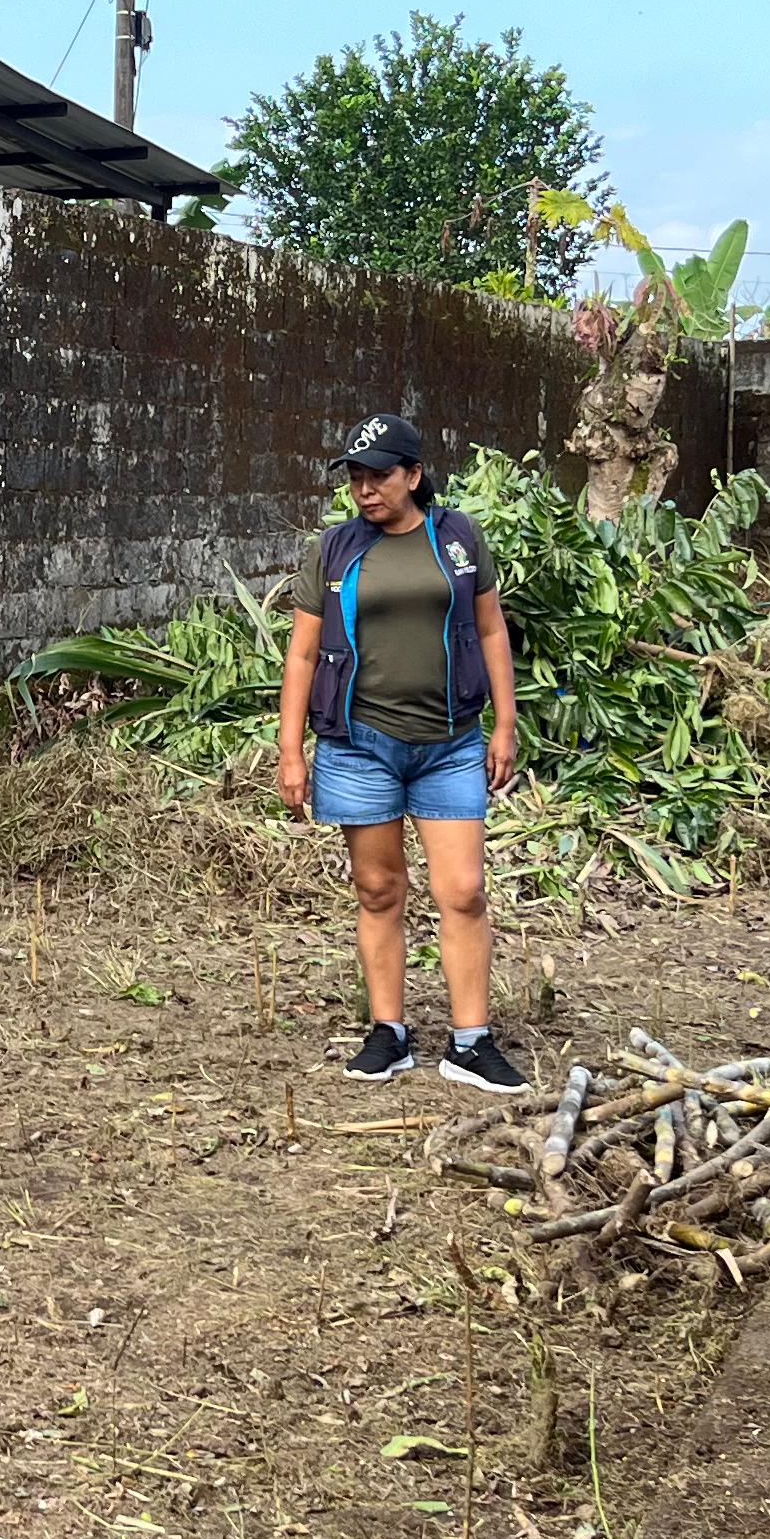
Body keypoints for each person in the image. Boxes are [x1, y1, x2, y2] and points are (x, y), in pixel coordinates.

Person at [270, 414, 533, 1093]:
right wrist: (290, 750)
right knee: (379, 889)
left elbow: (491, 630)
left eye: (379, 476)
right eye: (355, 478)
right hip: (359, 747)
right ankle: (389, 1033)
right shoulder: (335, 550)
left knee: (464, 892)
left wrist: (505, 724)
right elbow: (302, 654)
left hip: (450, 745)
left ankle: (471, 1042)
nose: (365, 490)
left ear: (414, 475)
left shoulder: (459, 539)